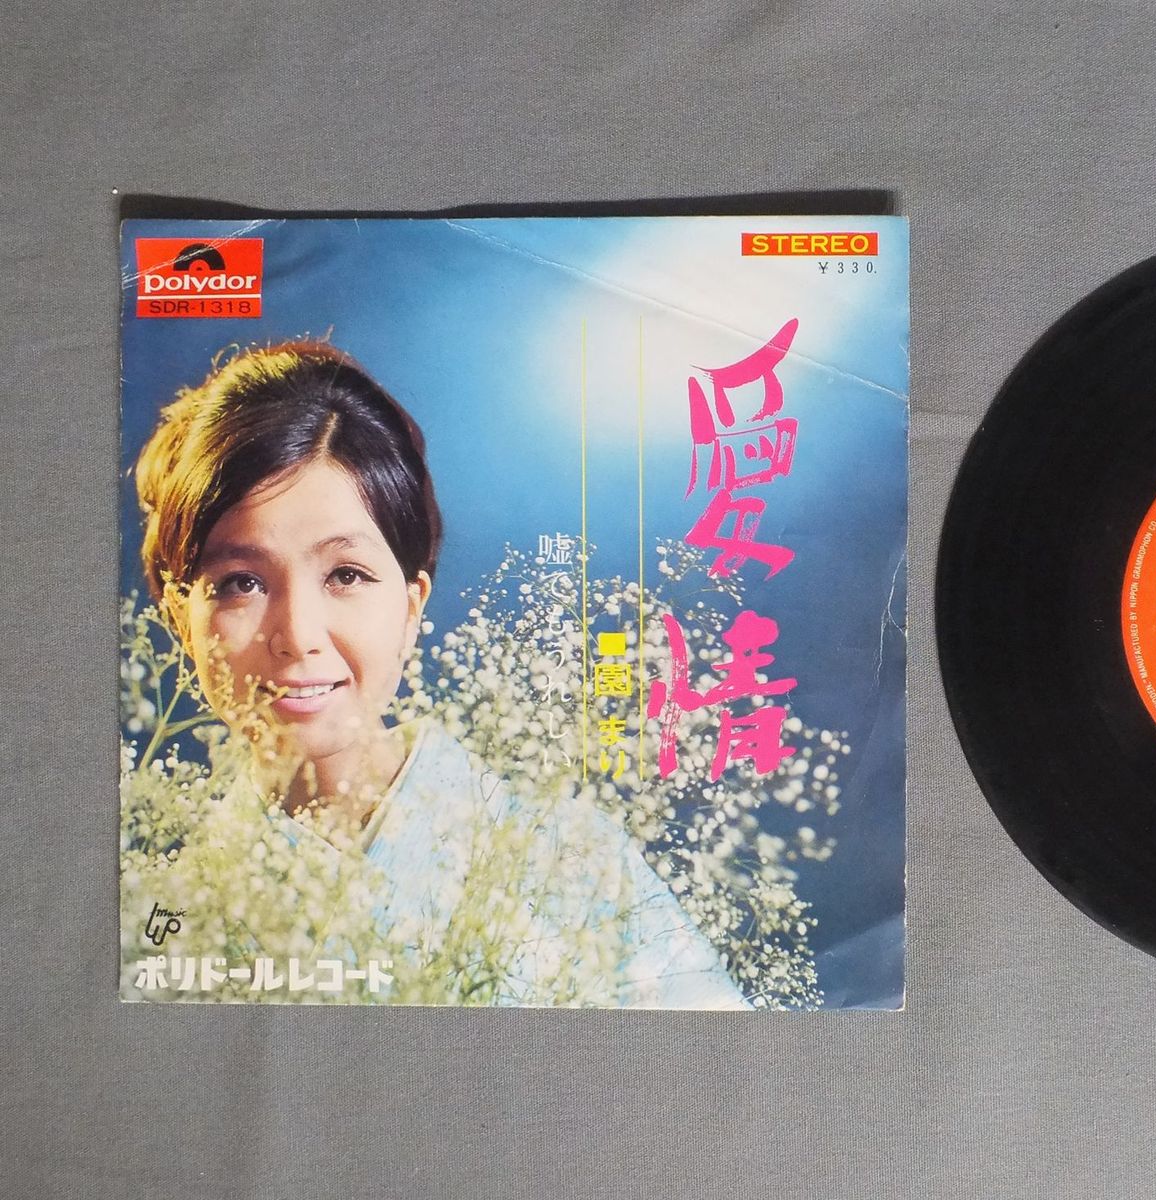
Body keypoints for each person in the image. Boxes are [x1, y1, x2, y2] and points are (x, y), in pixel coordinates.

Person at [129, 341, 747, 1008]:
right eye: (241, 583)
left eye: (345, 575)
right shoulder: (169, 920)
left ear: (411, 606)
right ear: (180, 615)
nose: (298, 635)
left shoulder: (572, 854)